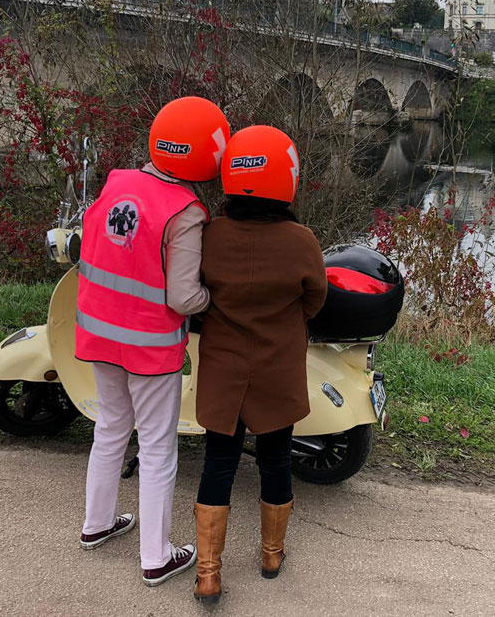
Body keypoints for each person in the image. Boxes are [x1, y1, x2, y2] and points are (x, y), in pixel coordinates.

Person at [74, 96, 230, 586]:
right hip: (148, 347)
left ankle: (97, 525)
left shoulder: (117, 182)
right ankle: (156, 557)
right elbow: (184, 297)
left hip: (98, 334)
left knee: (110, 430)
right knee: (159, 448)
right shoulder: (185, 211)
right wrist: (214, 299)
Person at [191, 125, 328, 604]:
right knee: (275, 460)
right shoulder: (302, 240)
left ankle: (208, 573)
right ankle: (271, 553)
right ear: (286, 178)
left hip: (225, 368)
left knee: (219, 463)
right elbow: (316, 299)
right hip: (277, 367)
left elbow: (196, 297)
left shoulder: (210, 235)